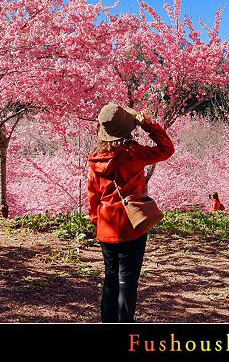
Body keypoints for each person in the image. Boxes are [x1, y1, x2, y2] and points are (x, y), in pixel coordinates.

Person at [87, 103, 174, 323]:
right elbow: (167, 149)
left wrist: (96, 222)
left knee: (110, 278)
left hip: (106, 225)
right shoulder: (133, 153)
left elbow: (92, 196)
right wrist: (148, 125)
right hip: (131, 225)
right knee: (127, 280)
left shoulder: (95, 159)